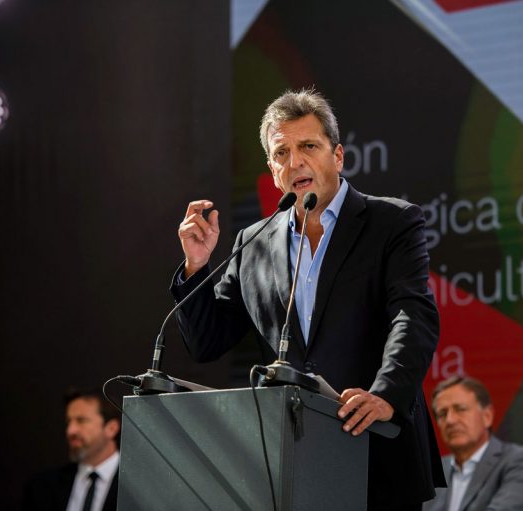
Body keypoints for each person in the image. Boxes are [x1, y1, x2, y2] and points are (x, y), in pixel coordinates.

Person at [172, 87, 445, 510]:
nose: (295, 161)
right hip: (289, 463)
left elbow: (412, 315)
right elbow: (207, 341)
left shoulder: (391, 222)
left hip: (374, 451)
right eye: (281, 153)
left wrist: (387, 395)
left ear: (338, 156)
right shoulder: (254, 241)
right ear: (272, 170)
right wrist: (196, 266)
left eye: (308, 147)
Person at [423, 376, 523, 511]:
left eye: (460, 409)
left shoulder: (521, 461)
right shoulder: (431, 472)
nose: (450, 420)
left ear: (487, 416)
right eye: (442, 414)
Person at [22, 387, 121, 511]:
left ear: (111, 428)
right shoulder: (42, 487)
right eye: (68, 422)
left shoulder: (138, 485)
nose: (70, 431)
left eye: (81, 420)